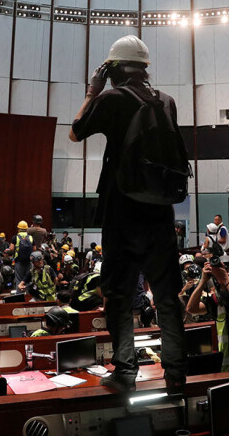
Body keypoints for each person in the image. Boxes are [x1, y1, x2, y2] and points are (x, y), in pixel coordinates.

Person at [69, 35, 186, 393]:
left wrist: (92, 91)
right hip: (161, 214)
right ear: (145, 68)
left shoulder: (111, 98)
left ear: (113, 69)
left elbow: (75, 133)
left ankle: (125, 371)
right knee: (167, 297)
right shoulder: (166, 102)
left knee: (119, 295)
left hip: (122, 213)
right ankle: (176, 375)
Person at [10, 221, 34, 288]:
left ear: (19, 229)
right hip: (29, 261)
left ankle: (20, 296)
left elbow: (11, 248)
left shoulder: (15, 237)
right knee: (29, 280)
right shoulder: (31, 237)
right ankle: (28, 296)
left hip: (19, 261)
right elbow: (34, 249)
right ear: (26, 229)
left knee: (19, 280)